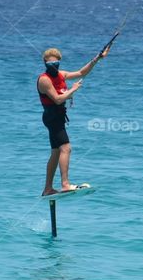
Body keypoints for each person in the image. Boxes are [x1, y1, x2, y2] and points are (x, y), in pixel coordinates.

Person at [37, 45, 110, 196]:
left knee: (56, 152)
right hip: (52, 117)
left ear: (59, 63)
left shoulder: (61, 75)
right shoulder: (44, 80)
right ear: (44, 62)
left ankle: (47, 189)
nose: (53, 67)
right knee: (66, 148)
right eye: (50, 64)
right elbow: (57, 99)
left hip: (58, 117)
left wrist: (97, 58)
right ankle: (65, 184)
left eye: (56, 64)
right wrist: (73, 89)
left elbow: (81, 72)